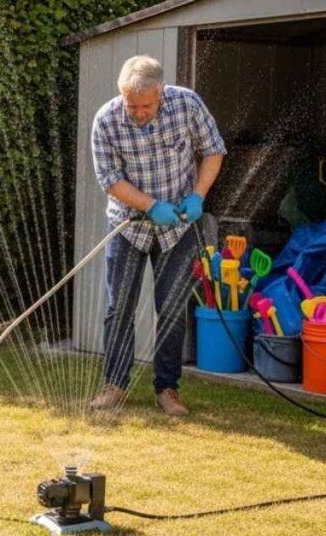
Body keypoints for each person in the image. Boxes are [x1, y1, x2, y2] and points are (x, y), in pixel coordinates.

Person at [89, 55, 226, 417]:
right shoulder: (106, 119)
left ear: (161, 93)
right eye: (131, 105)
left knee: (171, 307)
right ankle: (115, 385)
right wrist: (150, 206)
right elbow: (110, 181)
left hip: (178, 228)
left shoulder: (187, 104)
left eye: (145, 105)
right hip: (128, 227)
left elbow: (213, 150)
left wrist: (198, 195)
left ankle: (167, 389)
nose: (137, 112)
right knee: (119, 308)